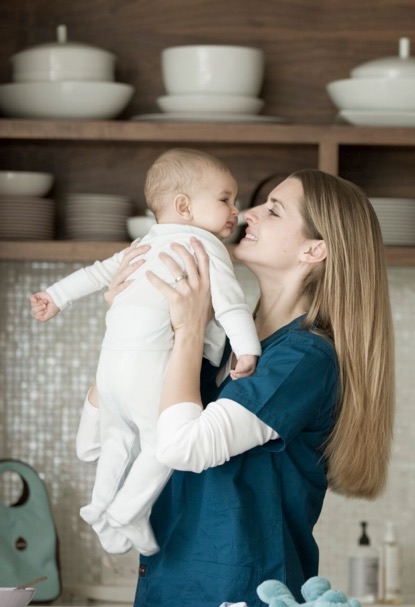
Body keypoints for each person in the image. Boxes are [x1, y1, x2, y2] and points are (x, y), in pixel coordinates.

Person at [97, 168, 395, 607]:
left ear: (315, 250)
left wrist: (189, 327)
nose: (247, 214)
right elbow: (123, 425)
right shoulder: (222, 340)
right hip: (169, 600)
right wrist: (123, 326)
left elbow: (184, 446)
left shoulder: (302, 359)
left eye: (273, 210)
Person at [29, 148, 262, 556]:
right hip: (150, 364)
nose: (235, 210)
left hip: (112, 366)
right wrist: (247, 349)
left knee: (118, 437)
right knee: (161, 444)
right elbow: (230, 305)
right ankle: (125, 512)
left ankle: (98, 506)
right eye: (225, 199)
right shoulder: (205, 246)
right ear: (184, 206)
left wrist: (55, 296)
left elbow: (98, 273)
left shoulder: (143, 243)